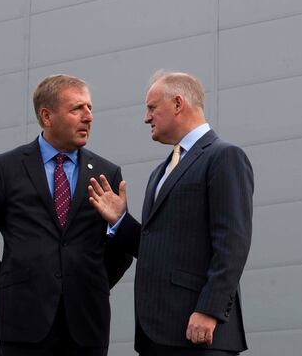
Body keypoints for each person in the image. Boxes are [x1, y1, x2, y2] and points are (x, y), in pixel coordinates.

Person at [0, 74, 131, 356]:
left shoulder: (106, 173)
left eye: (90, 108)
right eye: (77, 108)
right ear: (47, 116)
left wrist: (87, 287)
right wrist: (9, 294)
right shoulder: (5, 169)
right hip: (22, 324)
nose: (88, 116)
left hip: (87, 324)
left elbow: (121, 248)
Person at [88, 71, 254, 355]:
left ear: (178, 104)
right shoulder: (160, 172)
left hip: (200, 331)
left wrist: (210, 310)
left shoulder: (224, 156)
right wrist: (120, 221)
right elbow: (158, 245)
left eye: (152, 108)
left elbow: (233, 243)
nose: (146, 118)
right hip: (158, 335)